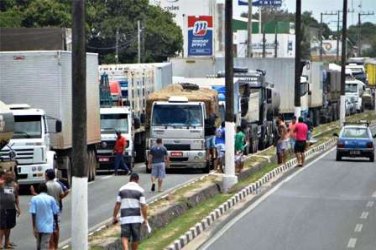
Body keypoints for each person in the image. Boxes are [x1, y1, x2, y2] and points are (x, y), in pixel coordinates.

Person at [112, 173, 148, 250]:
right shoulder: (140, 190)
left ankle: (126, 248)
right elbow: (143, 206)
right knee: (135, 238)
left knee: (124, 236)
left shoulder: (121, 189)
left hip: (125, 218)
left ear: (129, 179)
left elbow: (118, 204)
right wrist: (145, 218)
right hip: (136, 218)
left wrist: (114, 217)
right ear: (138, 180)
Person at [29, 183, 60, 250]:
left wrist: (34, 227)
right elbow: (55, 212)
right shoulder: (51, 199)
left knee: (38, 244)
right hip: (48, 226)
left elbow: (33, 213)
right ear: (46, 190)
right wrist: (56, 224)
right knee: (45, 244)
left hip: (38, 225)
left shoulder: (34, 199)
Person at [0, 170, 20, 249]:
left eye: (11, 175)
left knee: (9, 226)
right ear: (4, 176)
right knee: (1, 226)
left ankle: (7, 242)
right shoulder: (1, 184)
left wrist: (18, 208)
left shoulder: (14, 185)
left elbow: (16, 197)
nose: (9, 176)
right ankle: (0, 243)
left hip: (11, 208)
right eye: (7, 175)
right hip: (2, 208)